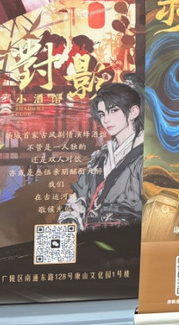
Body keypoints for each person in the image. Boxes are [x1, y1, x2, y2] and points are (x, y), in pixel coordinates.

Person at [58, 81, 144, 230]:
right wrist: (69, 219)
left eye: (114, 110)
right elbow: (77, 196)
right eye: (102, 114)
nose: (106, 119)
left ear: (133, 112)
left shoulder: (145, 157)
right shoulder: (100, 158)